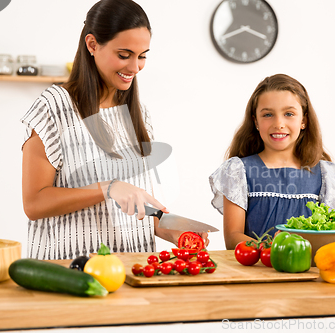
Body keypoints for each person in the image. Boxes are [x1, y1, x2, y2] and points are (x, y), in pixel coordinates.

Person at [21, 0, 207, 260]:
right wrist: (107, 187)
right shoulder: (54, 107)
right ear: (92, 45)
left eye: (142, 56)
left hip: (132, 269)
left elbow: (134, 205)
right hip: (72, 270)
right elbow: (34, 204)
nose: (134, 68)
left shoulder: (139, 114)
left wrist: (170, 228)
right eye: (124, 55)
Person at [209, 74, 335, 250]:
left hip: (308, 273)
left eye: (289, 114)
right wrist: (276, 249)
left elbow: (328, 237)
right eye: (268, 114)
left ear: (304, 121)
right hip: (256, 272)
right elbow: (233, 238)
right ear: (255, 121)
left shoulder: (325, 175)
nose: (279, 123)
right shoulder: (238, 170)